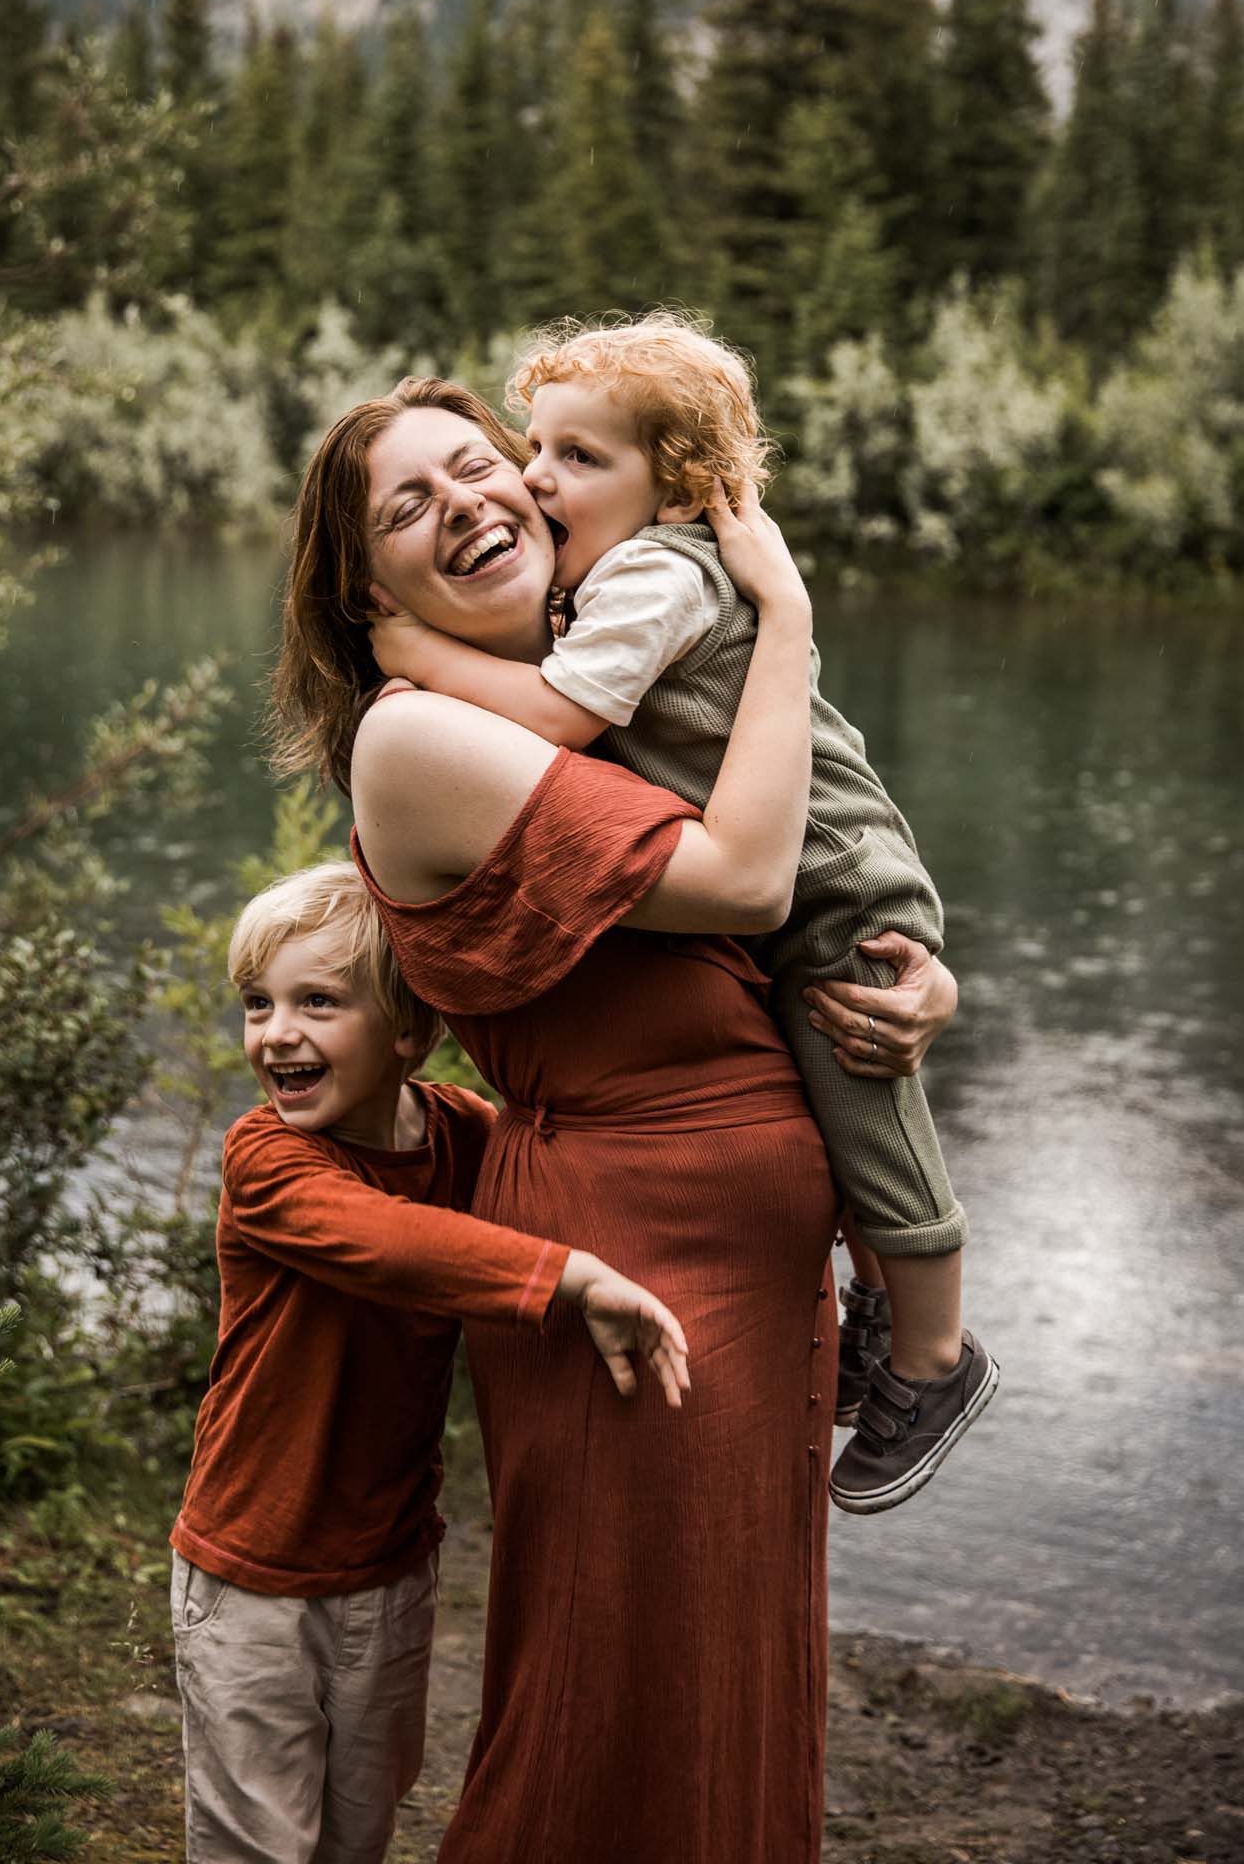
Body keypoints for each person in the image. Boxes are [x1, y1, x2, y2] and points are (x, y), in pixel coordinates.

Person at [271, 376, 946, 1863]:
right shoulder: (417, 738)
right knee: (609, 1693)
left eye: (478, 467)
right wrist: (787, 614)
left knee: (724, 1685)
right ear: (367, 590)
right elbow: (745, 881)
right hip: (630, 1260)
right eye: (408, 506)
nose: (469, 503)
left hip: (754, 1264)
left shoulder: (613, 688)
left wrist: (917, 977)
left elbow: (806, 891)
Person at [365, 312, 996, 1516]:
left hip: (831, 883)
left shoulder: (647, 582)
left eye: (569, 457)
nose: (532, 480)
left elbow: (573, 725)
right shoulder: (543, 643)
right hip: (661, 1214)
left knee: (871, 1106)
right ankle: (892, 1319)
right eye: (535, 447)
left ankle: (931, 1353)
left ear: (674, 489)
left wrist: (423, 655)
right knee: (853, 1088)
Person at [170, 860, 689, 1864]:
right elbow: (392, 1242)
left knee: (357, 1830)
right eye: (258, 1003)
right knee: (257, 1843)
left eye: (318, 1002)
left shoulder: (460, 1131)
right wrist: (571, 1276)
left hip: (390, 1566)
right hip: (251, 1569)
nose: (276, 1032)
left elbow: (566, 1178)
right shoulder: (266, 1159)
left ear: (410, 1030)